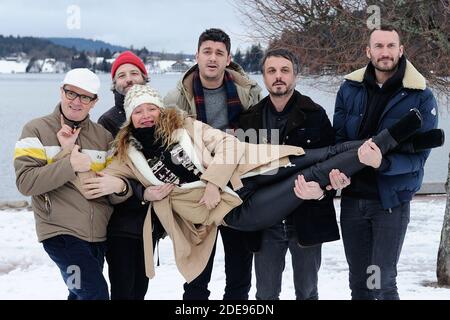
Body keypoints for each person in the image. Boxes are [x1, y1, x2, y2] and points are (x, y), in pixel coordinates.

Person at [81, 84, 441, 287]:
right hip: (237, 211)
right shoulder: (126, 154)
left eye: (150, 108)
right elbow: (103, 180)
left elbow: (228, 145)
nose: (145, 115)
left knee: (319, 153)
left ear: (160, 110)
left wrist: (211, 179)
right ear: (130, 118)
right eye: (138, 111)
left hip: (246, 174)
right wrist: (86, 162)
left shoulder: (185, 126)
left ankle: (397, 141)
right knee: (311, 176)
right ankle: (399, 140)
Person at [332, 25, 439, 300]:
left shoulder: (420, 95)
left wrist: (383, 163)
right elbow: (338, 142)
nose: (385, 52)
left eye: (391, 46)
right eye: (378, 46)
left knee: (380, 281)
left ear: (401, 50)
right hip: (353, 201)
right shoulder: (349, 89)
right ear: (368, 52)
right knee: (359, 283)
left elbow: (418, 159)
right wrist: (338, 173)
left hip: (389, 203)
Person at [238, 48, 349, 300]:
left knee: (307, 292)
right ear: (264, 77)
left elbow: (332, 161)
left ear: (295, 76)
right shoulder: (249, 120)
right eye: (272, 71)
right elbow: (241, 172)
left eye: (285, 70)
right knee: (265, 295)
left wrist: (322, 191)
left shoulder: (315, 114)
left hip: (307, 216)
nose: (279, 76)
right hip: (266, 223)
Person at [13, 68, 128, 300]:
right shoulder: (36, 130)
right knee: (94, 293)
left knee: (78, 294)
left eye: (85, 97)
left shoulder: (104, 137)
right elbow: (26, 183)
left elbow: (115, 189)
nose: (76, 102)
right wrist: (69, 163)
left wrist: (119, 187)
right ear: (61, 91)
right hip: (61, 236)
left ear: (94, 102)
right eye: (71, 93)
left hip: (97, 237)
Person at [164, 28, 261, 300]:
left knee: (240, 277)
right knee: (196, 279)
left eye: (219, 53)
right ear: (197, 55)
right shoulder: (176, 99)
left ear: (228, 59)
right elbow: (166, 146)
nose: (212, 58)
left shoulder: (248, 93)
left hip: (237, 189)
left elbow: (260, 139)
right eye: (207, 51)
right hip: (197, 189)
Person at [98, 50, 166, 300]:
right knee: (123, 290)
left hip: (151, 222)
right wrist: (139, 192)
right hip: (121, 222)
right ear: (114, 83)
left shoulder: (157, 114)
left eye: (134, 73)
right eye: (121, 75)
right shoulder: (107, 122)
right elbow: (107, 174)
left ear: (144, 78)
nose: (128, 79)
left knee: (140, 289)